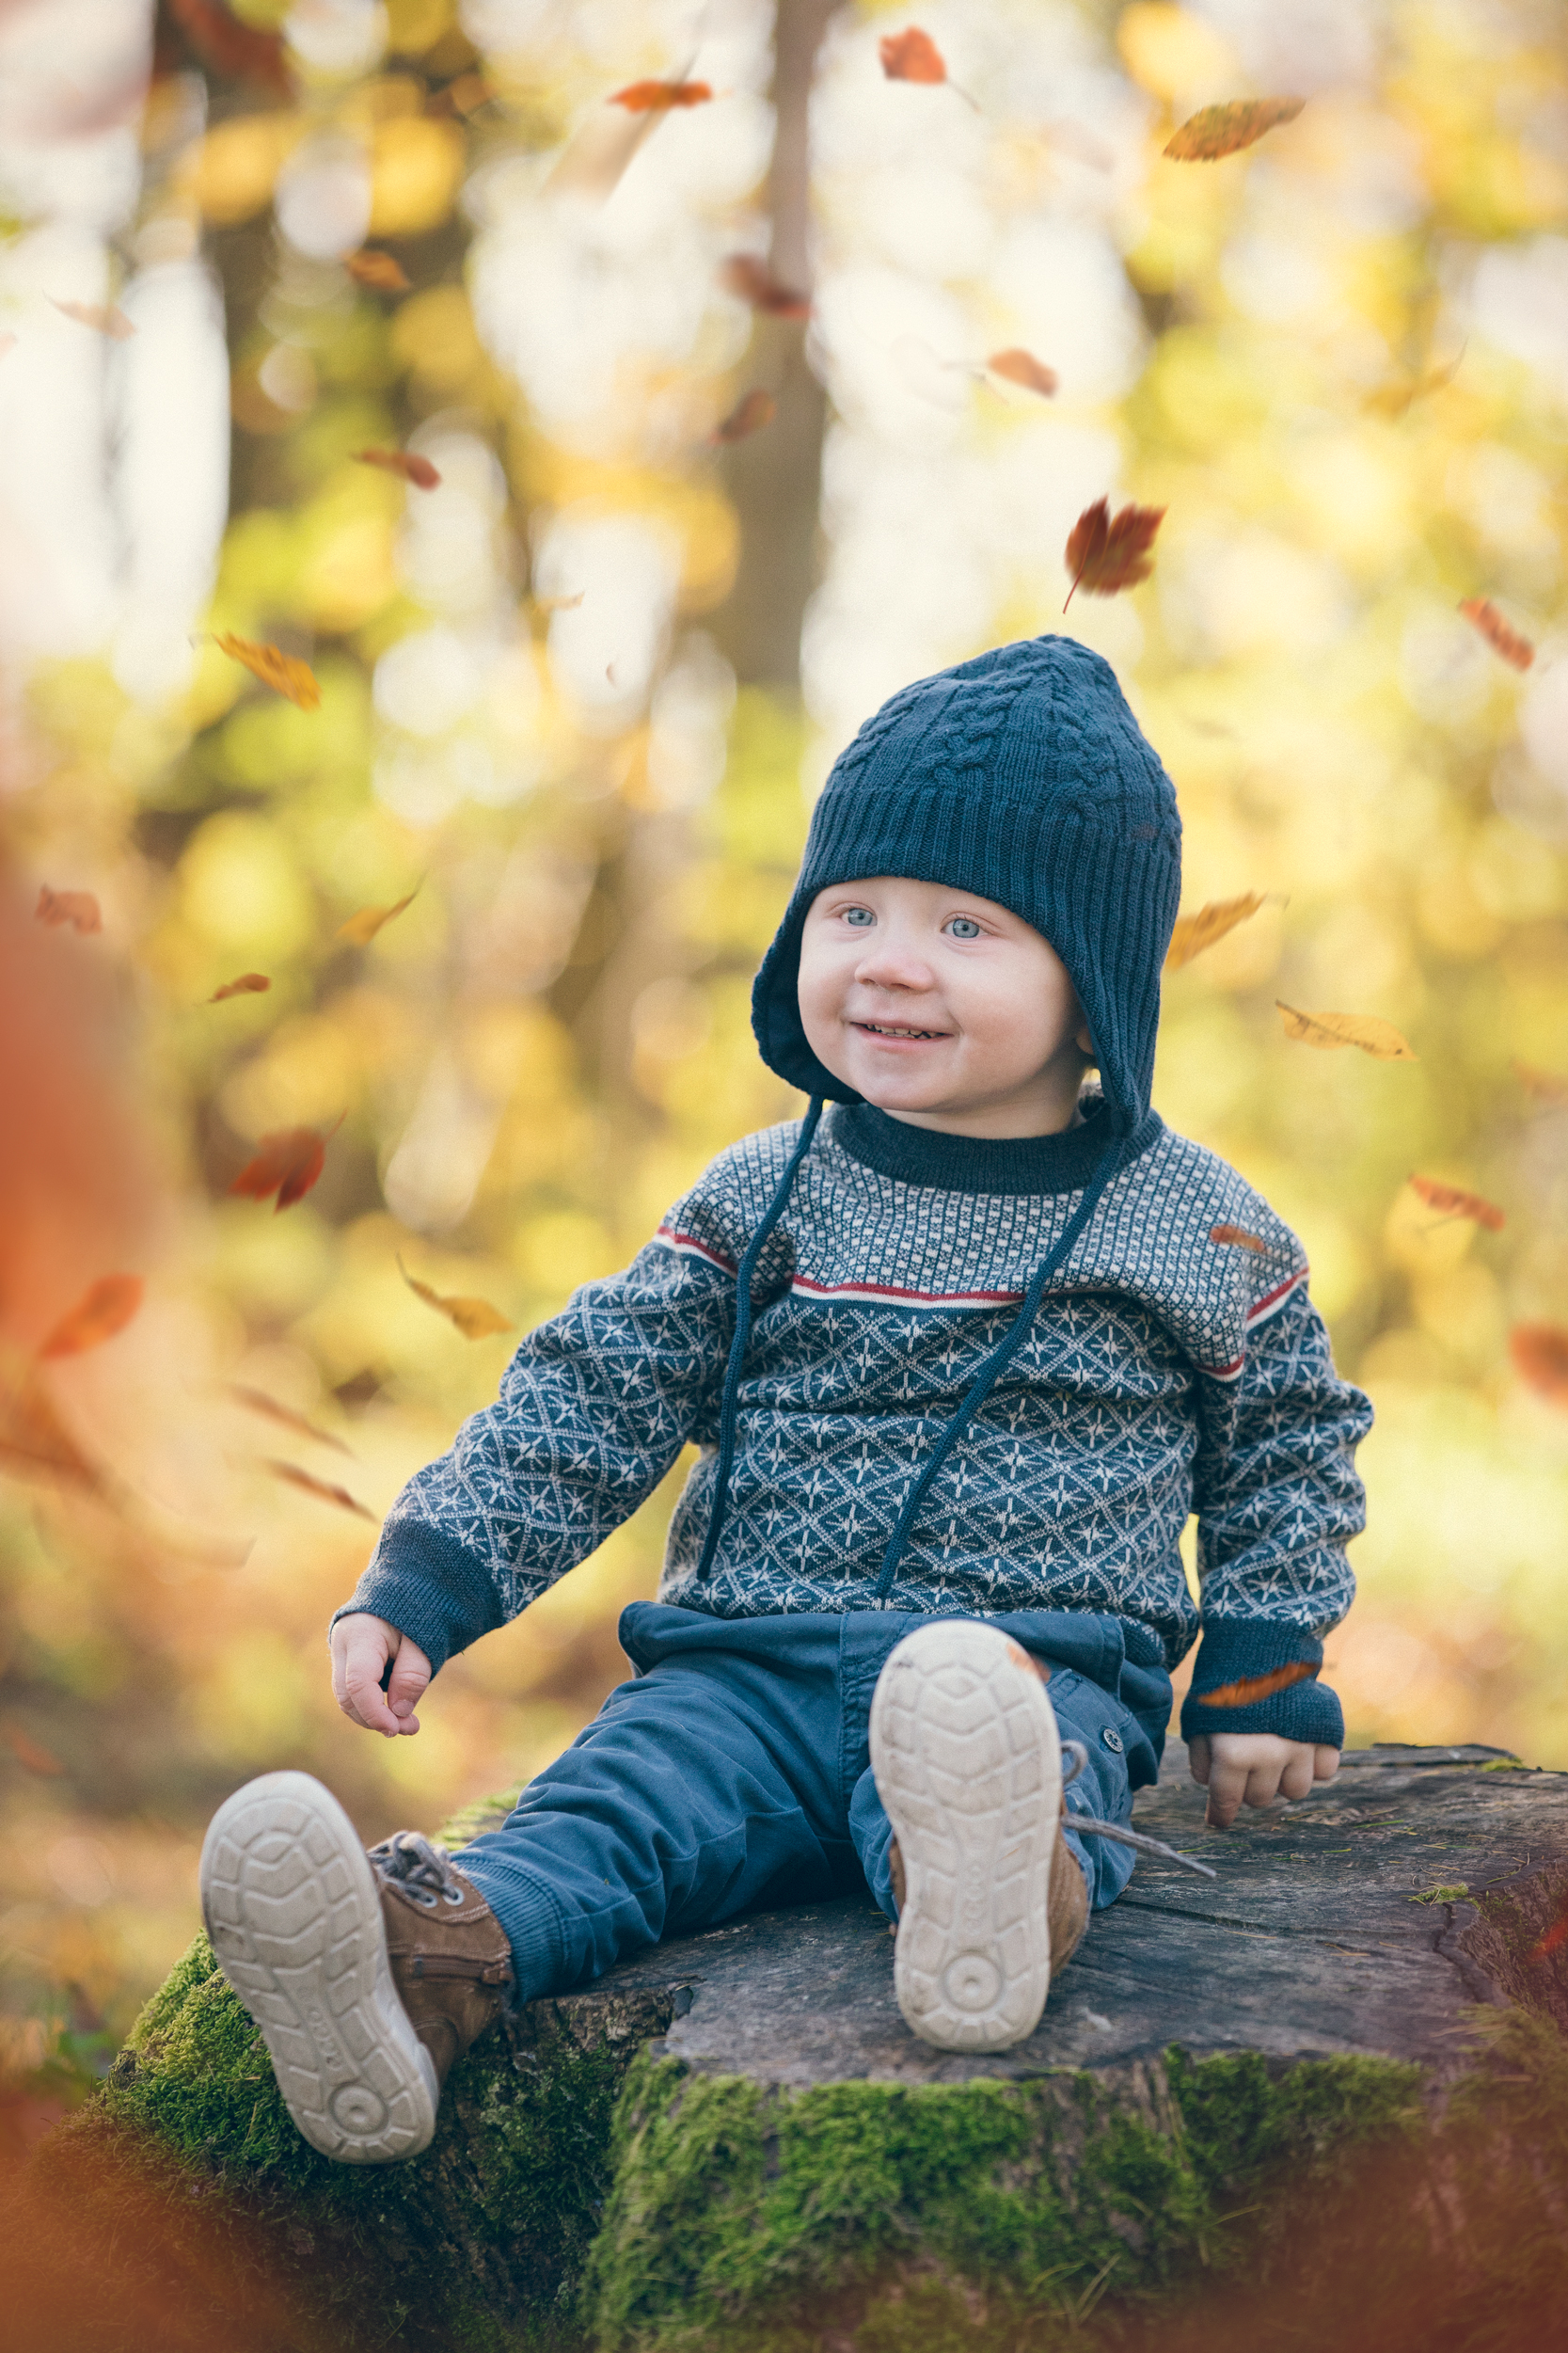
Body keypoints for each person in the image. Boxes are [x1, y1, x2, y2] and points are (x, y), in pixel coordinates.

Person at [199, 635, 1370, 2167]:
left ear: (1093, 986)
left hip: (1027, 1668)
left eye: (966, 924)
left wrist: (1265, 1661)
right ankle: (418, 1977)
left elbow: (1287, 1436)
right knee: (605, 1821)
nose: (890, 957)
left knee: (1022, 1757)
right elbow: (598, 1388)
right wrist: (430, 1574)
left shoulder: (1191, 1221)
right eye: (853, 911)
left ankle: (1002, 1894)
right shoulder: (766, 1192)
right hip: (735, 1669)